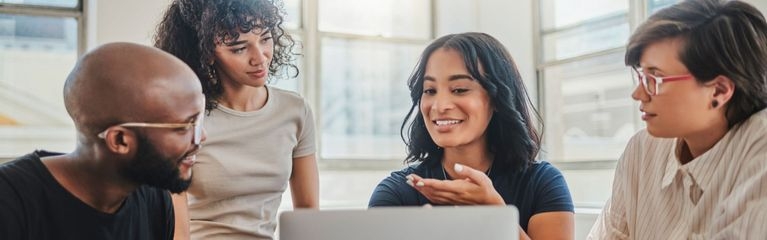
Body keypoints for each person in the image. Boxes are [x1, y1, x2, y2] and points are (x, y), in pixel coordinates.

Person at [369, 32, 575, 240]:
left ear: (497, 98)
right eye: (430, 90)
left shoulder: (542, 183)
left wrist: (495, 213)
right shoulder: (395, 193)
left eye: (459, 90)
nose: (440, 106)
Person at [588, 0, 767, 239]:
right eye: (640, 76)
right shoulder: (641, 151)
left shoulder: (759, 147)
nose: (638, 94)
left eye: (655, 78)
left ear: (719, 91)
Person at [0, 42, 206, 239]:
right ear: (120, 140)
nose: (201, 137)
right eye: (184, 127)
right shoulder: (11, 203)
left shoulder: (154, 197)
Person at [154, 0, 319, 239]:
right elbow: (177, 229)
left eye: (265, 38)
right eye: (239, 48)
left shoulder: (295, 111)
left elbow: (308, 214)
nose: (260, 58)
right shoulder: (185, 118)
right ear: (207, 54)